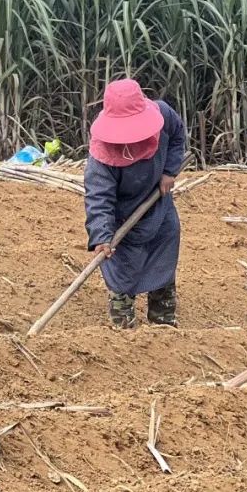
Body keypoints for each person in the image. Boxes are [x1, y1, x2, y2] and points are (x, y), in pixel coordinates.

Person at [84, 78, 186, 329]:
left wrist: (170, 172)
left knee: (163, 264)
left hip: (158, 206)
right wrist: (102, 236)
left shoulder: (163, 114)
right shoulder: (101, 158)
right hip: (122, 219)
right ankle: (124, 329)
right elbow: (99, 197)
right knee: (122, 273)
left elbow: (177, 136)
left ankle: (163, 324)